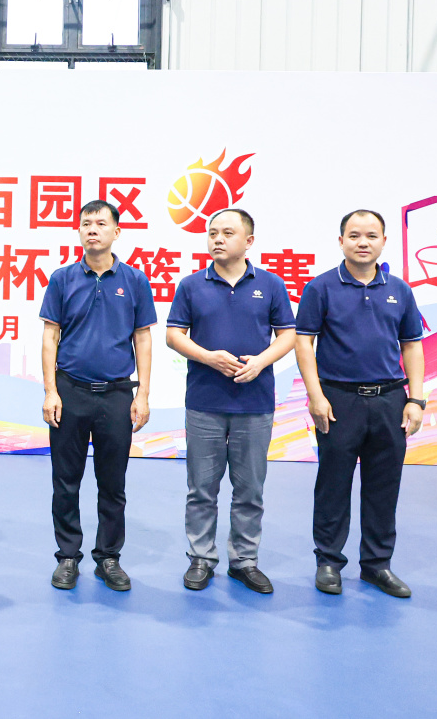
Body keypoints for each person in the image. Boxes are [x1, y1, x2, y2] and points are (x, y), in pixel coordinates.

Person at [295, 209, 425, 598]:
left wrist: (416, 399)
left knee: (384, 486)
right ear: (341, 242)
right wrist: (316, 395)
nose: (362, 242)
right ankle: (329, 562)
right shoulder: (320, 288)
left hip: (390, 400)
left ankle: (377, 565)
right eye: (354, 236)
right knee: (333, 484)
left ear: (384, 241)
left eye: (371, 235)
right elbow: (304, 342)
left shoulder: (399, 290)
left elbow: (412, 346)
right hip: (338, 400)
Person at [165, 208, 295, 594]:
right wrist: (208, 357)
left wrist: (261, 362)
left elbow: (288, 334)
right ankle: (201, 558)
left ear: (249, 241)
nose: (217, 239)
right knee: (201, 488)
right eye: (212, 233)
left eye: (227, 233)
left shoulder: (270, 284)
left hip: (255, 403)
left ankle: (244, 561)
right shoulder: (192, 285)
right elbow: (174, 335)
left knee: (250, 488)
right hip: (204, 402)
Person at [39, 200, 154, 592]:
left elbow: (143, 338)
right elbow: (50, 336)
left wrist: (143, 394)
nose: (92, 229)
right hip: (70, 391)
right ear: (79, 231)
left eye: (101, 223)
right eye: (86, 223)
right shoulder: (62, 278)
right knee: (65, 481)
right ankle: (68, 557)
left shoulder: (135, 280)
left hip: (117, 394)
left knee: (113, 483)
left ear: (116, 232)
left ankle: (108, 557)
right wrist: (51, 391)